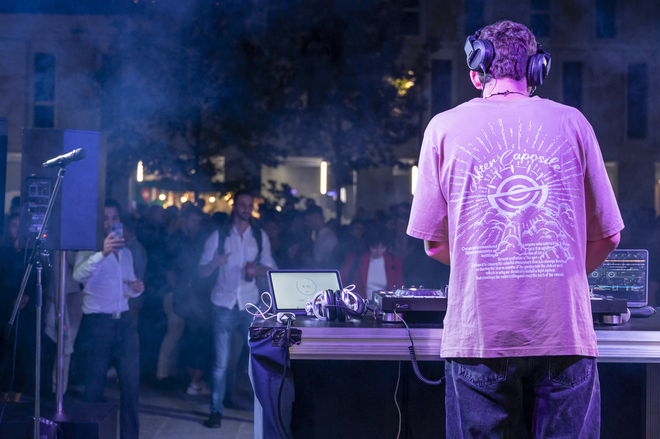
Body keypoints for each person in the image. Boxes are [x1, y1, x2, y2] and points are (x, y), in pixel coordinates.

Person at [406, 21, 624, 438]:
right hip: (564, 335)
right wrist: (553, 273)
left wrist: (493, 264)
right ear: (537, 69)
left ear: (477, 71)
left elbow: (434, 245)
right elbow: (608, 236)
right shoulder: (574, 123)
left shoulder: (442, 128)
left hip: (478, 337)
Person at [199, 190, 276, 428]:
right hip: (223, 304)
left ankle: (265, 411)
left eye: (249, 205)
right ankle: (216, 410)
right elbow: (201, 272)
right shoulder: (219, 236)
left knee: (258, 359)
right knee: (221, 362)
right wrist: (215, 262)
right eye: (242, 205)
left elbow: (271, 268)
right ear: (234, 207)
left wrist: (256, 270)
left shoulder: (259, 236)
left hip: (250, 305)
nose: (246, 209)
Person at [73, 199, 144, 439]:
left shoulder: (126, 253)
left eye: (114, 218)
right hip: (97, 324)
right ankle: (89, 435)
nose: (109, 223)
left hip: (123, 323)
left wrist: (135, 288)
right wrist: (102, 253)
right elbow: (78, 275)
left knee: (131, 386)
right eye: (105, 218)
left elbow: (126, 287)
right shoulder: (89, 249)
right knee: (93, 387)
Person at [340, 227, 403, 299]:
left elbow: (399, 288)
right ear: (368, 245)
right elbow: (342, 281)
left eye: (382, 247)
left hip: (385, 304)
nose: (378, 251)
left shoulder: (395, 261)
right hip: (360, 303)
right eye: (375, 248)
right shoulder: (355, 258)